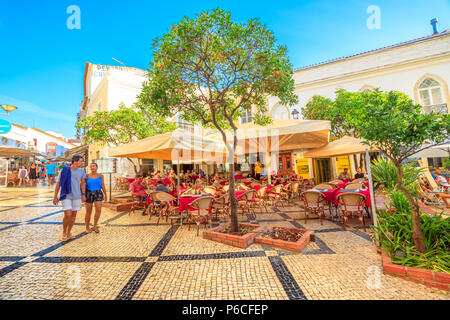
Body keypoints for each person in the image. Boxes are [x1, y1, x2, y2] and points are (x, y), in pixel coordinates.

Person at [53, 155, 86, 241]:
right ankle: (64, 232)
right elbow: (58, 184)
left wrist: (83, 194)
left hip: (77, 196)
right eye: (80, 161)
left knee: (74, 215)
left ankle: (69, 232)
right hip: (66, 195)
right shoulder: (64, 171)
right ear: (75, 161)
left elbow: (83, 183)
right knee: (68, 214)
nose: (82, 163)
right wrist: (55, 196)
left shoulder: (81, 172)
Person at [85, 162, 107, 234]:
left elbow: (103, 185)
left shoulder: (101, 176)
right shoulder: (87, 176)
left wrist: (105, 195)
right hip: (89, 193)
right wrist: (82, 195)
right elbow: (83, 185)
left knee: (98, 210)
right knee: (89, 211)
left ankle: (95, 225)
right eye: (91, 166)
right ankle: (87, 227)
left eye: (93, 166)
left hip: (98, 193)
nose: (92, 167)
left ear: (97, 167)